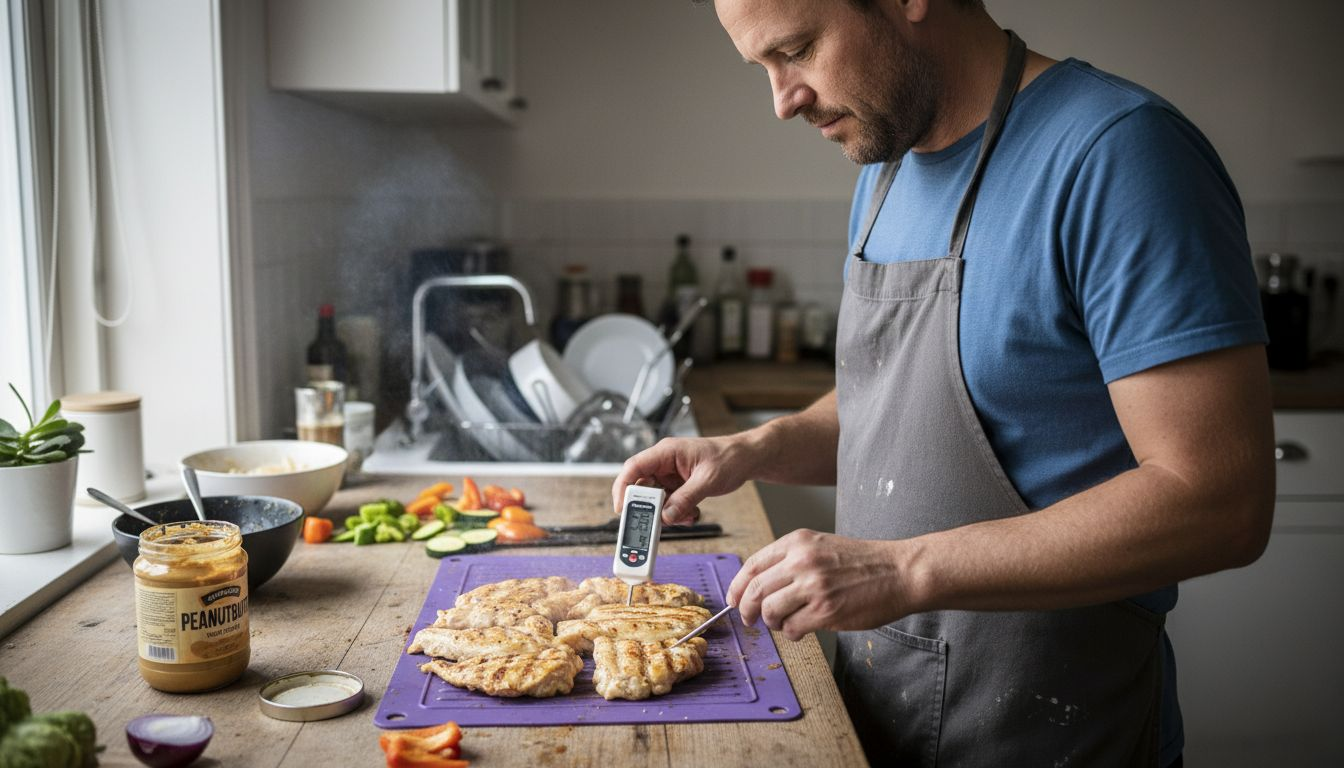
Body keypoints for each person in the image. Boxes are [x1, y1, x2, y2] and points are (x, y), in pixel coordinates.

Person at [612, 1, 1275, 765]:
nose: (783, 99)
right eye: (762, 66)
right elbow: (902, 407)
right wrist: (758, 448)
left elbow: (1221, 501)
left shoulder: (1120, 155)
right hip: (879, 719)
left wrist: (903, 568)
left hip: (1053, 737)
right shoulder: (887, 165)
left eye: (796, 50)